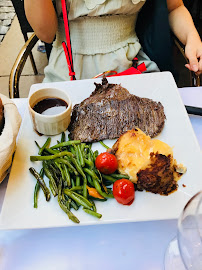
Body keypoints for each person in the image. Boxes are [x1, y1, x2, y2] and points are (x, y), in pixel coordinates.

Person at [24, 0, 202, 83]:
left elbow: (174, 7)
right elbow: (46, 34)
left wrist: (192, 36)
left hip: (133, 67)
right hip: (70, 69)